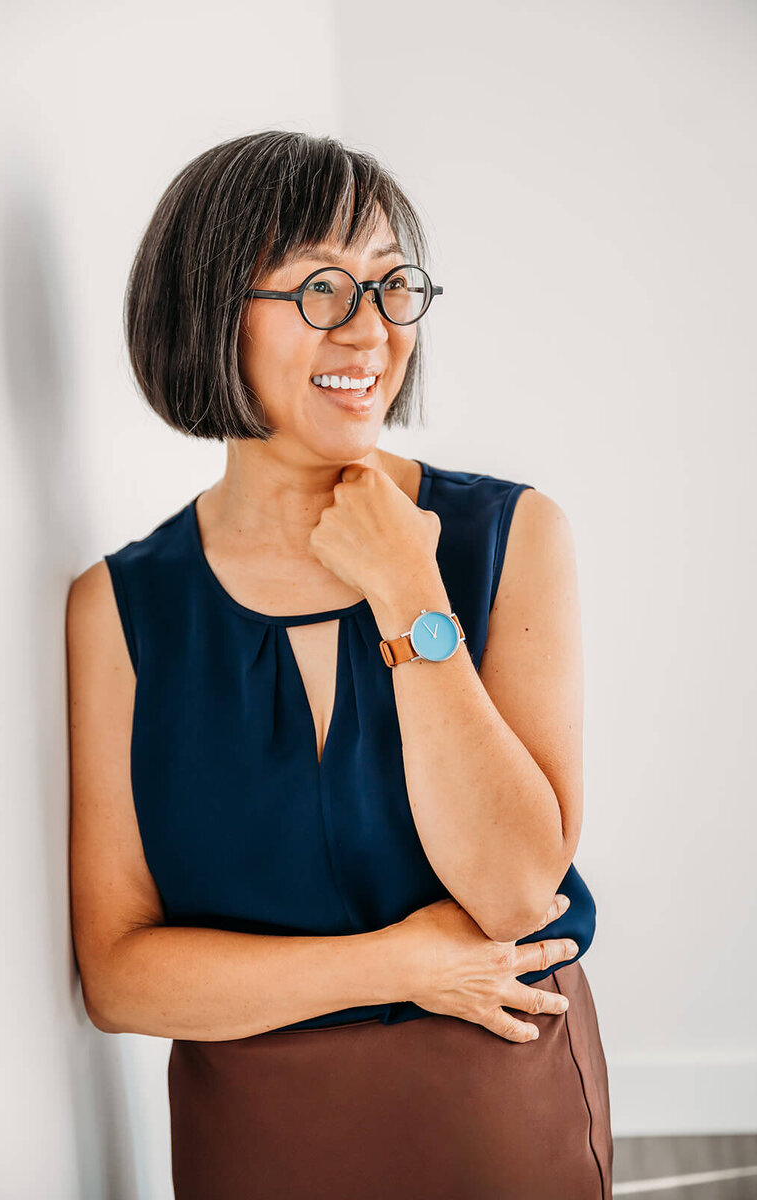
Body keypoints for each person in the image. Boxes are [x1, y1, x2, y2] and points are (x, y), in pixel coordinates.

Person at [66, 130, 613, 1199]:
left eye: (391, 285)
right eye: (322, 287)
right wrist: (398, 964)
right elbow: (122, 976)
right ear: (208, 310)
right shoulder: (121, 609)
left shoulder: (509, 536)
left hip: (495, 1108)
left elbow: (514, 891)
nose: (371, 330)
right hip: (253, 1138)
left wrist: (410, 594)